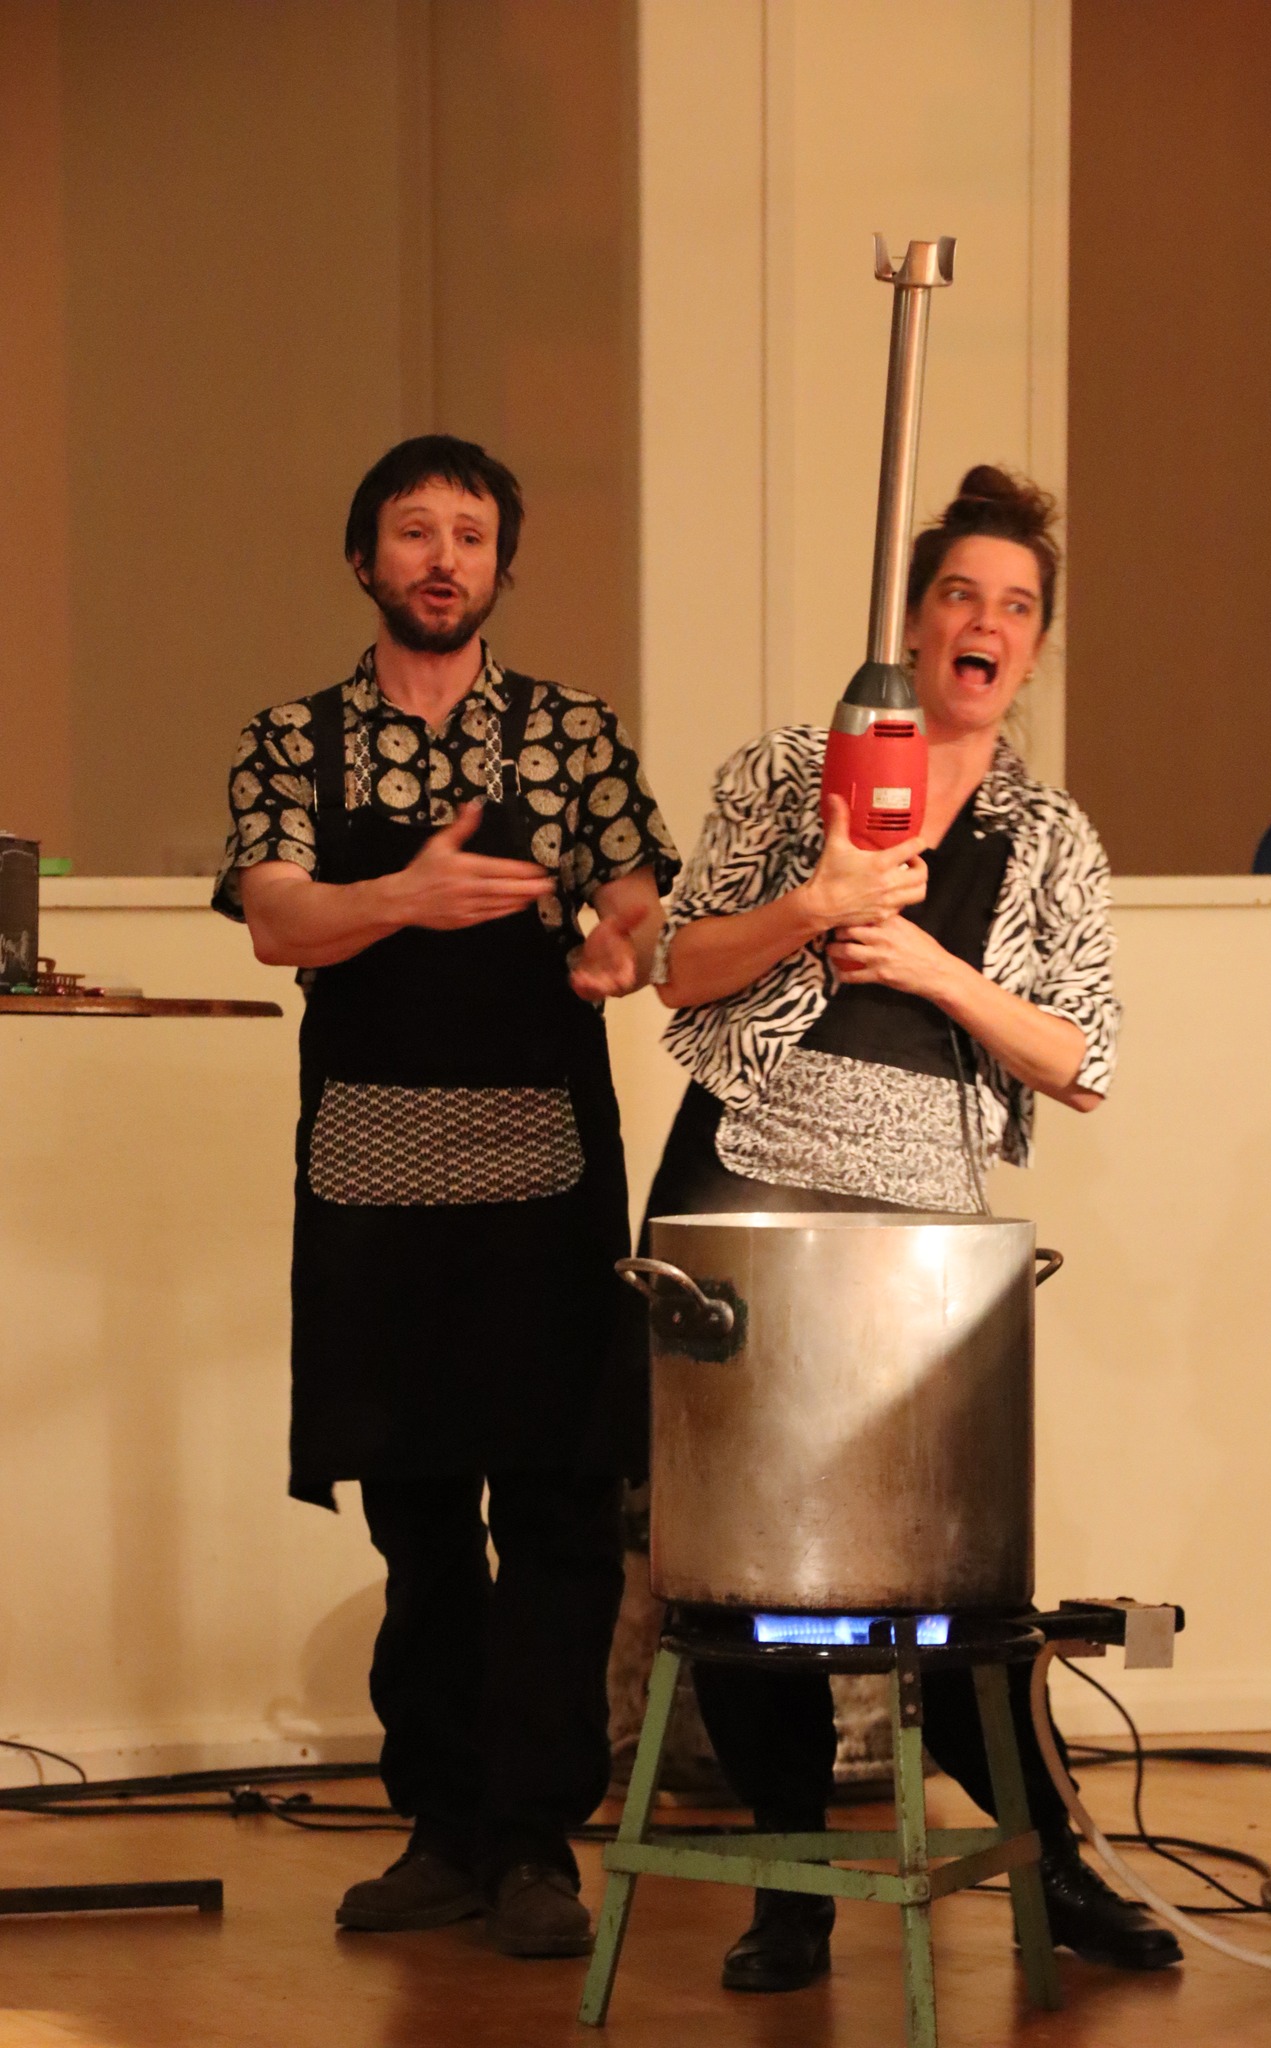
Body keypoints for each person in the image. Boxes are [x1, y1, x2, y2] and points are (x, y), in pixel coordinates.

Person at [642, 466, 1181, 1988]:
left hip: (921, 1228)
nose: (985, 624)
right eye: (960, 595)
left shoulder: (1050, 834)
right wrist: (813, 906)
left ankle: (1056, 1869)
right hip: (746, 1180)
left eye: (1016, 607)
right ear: (912, 620)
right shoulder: (783, 773)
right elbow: (681, 967)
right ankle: (787, 1887)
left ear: (1033, 646)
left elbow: (1082, 1057)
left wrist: (937, 970)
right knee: (745, 1570)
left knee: (954, 1574)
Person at [214, 435, 678, 1958]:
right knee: (415, 1519)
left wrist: (617, 945)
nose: (442, 558)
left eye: (470, 535)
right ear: (364, 560)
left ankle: (535, 1840)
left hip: (541, 1173)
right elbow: (279, 922)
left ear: (500, 568)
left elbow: (635, 896)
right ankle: (440, 1830)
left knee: (552, 1515)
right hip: (371, 1175)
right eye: (414, 532)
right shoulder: (293, 740)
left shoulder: (571, 732)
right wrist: (405, 896)